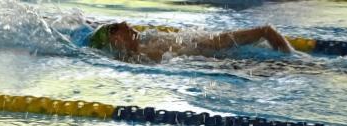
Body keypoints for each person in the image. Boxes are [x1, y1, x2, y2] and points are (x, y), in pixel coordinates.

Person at [87, 21, 293, 62]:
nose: (128, 25)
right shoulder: (137, 57)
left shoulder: (149, 41)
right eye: (119, 27)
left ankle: (290, 58)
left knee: (266, 31)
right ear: (115, 39)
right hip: (218, 58)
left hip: (213, 48)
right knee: (265, 32)